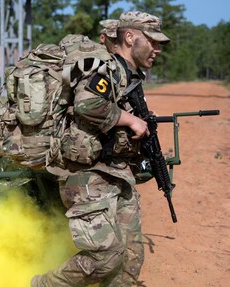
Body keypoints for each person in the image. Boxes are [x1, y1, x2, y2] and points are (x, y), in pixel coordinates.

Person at [31, 11, 170, 286]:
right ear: (130, 37)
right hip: (87, 174)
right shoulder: (105, 67)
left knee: (130, 259)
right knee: (106, 258)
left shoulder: (130, 75)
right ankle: (43, 284)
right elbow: (87, 104)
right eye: (152, 41)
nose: (157, 49)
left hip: (117, 173)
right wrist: (131, 120)